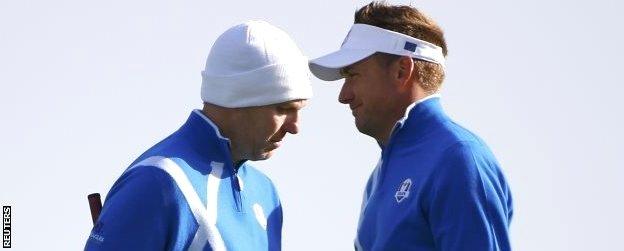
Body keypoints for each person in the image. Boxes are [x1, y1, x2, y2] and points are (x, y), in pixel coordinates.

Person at [85, 20, 312, 250]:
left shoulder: (265, 192)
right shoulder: (156, 182)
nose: (295, 127)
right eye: (284, 110)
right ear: (238, 98)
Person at [309, 2, 513, 250]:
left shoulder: (458, 158)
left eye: (353, 75)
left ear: (402, 70)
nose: (344, 95)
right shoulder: (381, 175)